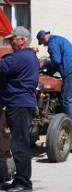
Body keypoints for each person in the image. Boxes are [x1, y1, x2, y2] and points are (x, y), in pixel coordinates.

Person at [0, 26, 39, 191]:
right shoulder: (31, 56)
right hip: (22, 103)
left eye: (12, 39)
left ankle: (24, 183)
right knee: (19, 143)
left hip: (19, 104)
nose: (10, 42)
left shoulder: (19, 57)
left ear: (22, 40)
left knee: (19, 145)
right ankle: (19, 181)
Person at [37, 30, 72, 127]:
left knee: (66, 99)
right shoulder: (58, 39)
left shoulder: (52, 43)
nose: (44, 45)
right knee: (65, 96)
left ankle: (70, 126)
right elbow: (57, 62)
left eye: (42, 43)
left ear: (43, 38)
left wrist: (43, 65)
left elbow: (56, 61)